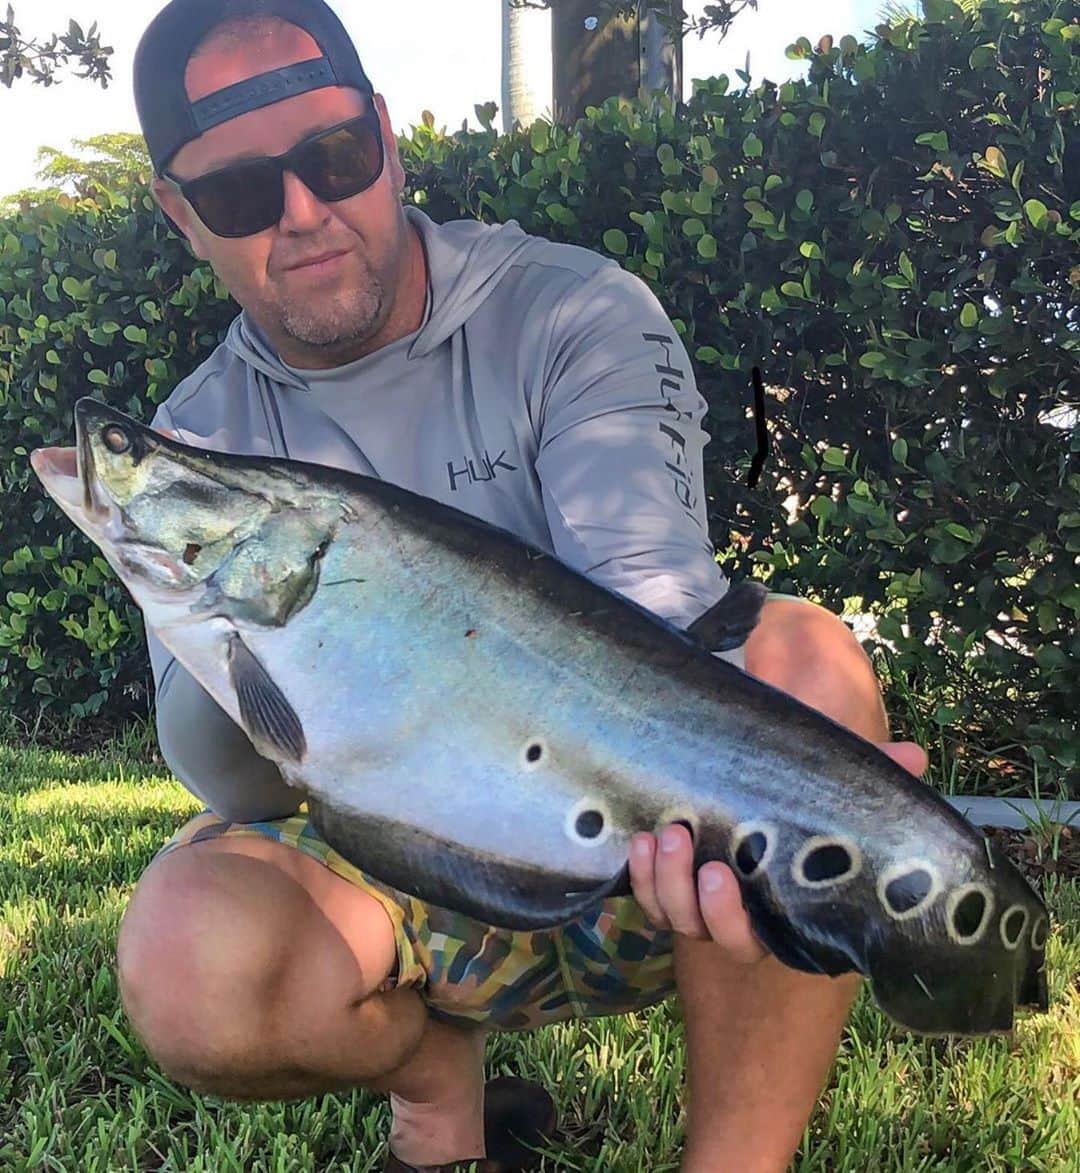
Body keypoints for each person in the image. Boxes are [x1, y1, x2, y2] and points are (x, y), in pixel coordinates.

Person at [118, 2, 928, 1170]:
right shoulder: (192, 442)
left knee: (811, 671)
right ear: (182, 217)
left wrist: (793, 773)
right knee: (185, 956)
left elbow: (656, 611)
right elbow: (238, 778)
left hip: (637, 843)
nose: (305, 215)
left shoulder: (571, 311)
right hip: (395, 851)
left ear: (388, 140)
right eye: (243, 195)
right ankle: (436, 1090)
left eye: (336, 159)